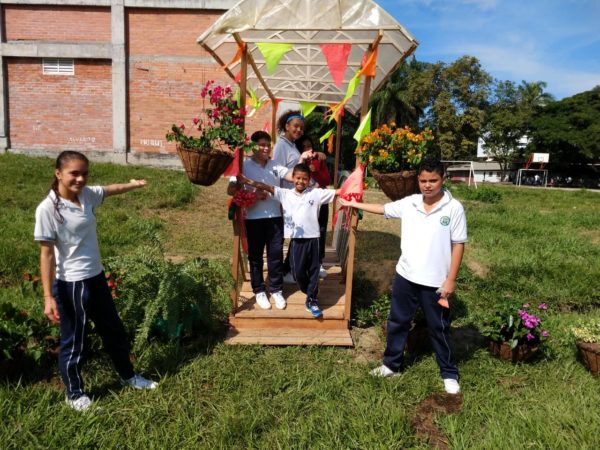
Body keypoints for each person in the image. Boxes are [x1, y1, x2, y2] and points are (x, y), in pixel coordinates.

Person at [34, 151, 158, 411]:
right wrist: (48, 297)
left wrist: (134, 185)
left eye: (84, 173)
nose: (80, 179)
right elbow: (46, 254)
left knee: (113, 330)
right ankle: (74, 395)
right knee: (75, 342)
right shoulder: (48, 209)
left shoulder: (86, 194)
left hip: (96, 277)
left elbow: (110, 189)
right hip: (72, 284)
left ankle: (128, 376)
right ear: (58, 173)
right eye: (74, 174)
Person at [339, 159, 467, 394]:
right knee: (397, 322)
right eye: (423, 180)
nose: (427, 185)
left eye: (433, 180)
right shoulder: (411, 203)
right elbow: (383, 209)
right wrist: (351, 203)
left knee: (438, 327)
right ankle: (391, 365)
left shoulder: (453, 208)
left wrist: (451, 279)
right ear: (418, 180)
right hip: (406, 276)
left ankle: (449, 373)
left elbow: (458, 244)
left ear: (443, 179)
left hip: (435, 281)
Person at [238, 163, 339, 319]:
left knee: (314, 270)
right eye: (298, 178)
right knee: (297, 272)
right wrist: (248, 181)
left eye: (305, 179)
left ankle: (311, 299)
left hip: (314, 239)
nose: (301, 181)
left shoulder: (316, 193)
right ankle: (309, 290)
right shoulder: (285, 194)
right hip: (296, 240)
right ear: (292, 178)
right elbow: (266, 186)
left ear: (309, 180)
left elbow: (337, 192)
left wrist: (353, 189)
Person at [227, 131, 303, 310]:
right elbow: (230, 190)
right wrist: (252, 194)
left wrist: (303, 162)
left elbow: (292, 176)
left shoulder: (275, 165)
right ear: (253, 146)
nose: (266, 148)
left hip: (275, 218)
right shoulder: (243, 166)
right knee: (255, 257)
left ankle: (276, 289)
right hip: (253, 218)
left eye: (268, 145)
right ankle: (259, 290)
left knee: (275, 255)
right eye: (262, 145)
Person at [271, 110, 326, 282]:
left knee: (298, 234)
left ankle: (290, 269)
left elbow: (297, 171)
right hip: (288, 199)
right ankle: (285, 272)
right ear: (287, 126)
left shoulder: (292, 145)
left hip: (297, 197)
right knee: (290, 236)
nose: (299, 130)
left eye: (301, 128)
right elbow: (277, 172)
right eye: (296, 126)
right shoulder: (281, 145)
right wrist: (279, 200)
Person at [295, 135, 332, 279]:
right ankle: (303, 263)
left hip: (320, 201)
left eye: (309, 146)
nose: (307, 149)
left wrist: (315, 170)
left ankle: (319, 262)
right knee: (304, 231)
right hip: (304, 203)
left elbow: (327, 180)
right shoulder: (298, 161)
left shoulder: (319, 160)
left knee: (321, 230)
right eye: (304, 147)